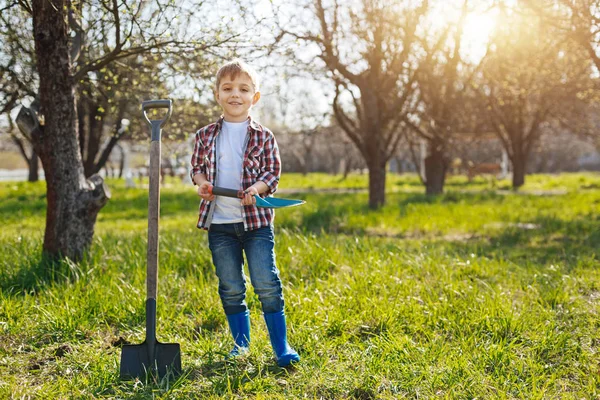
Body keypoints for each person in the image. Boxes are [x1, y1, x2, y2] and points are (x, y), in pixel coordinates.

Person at [189, 59, 300, 367]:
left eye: (243, 89)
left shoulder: (264, 136)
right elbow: (197, 169)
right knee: (231, 286)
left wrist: (257, 189)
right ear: (217, 94)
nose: (234, 95)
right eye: (227, 89)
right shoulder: (204, 135)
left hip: (256, 225)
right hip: (220, 224)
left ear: (255, 96)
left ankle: (282, 347)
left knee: (266, 282)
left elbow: (271, 172)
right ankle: (241, 346)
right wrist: (202, 184)